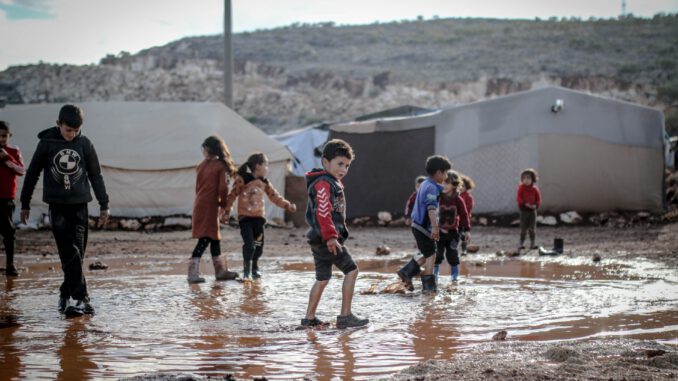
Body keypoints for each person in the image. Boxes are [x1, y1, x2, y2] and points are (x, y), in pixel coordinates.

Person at [20, 104, 109, 316]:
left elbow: (96, 175)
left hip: (80, 206)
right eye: (68, 130)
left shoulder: (85, 144)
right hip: (58, 206)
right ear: (58, 124)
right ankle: (81, 299)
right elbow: (32, 174)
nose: (72, 135)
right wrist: (25, 203)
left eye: (76, 131)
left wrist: (104, 204)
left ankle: (64, 293)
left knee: (77, 254)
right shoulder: (46, 144)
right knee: (69, 252)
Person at [302, 139, 368, 329]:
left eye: (347, 165)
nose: (344, 169)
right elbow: (323, 212)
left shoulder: (329, 182)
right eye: (340, 164)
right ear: (325, 162)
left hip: (319, 238)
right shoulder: (323, 183)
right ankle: (345, 316)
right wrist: (331, 236)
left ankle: (309, 319)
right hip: (326, 239)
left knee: (322, 278)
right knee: (352, 270)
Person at [225, 152, 296, 279]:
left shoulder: (265, 182)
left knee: (258, 247)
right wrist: (227, 211)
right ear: (258, 166)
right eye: (266, 165)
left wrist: (287, 205)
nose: (267, 168)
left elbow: (275, 197)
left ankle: (254, 268)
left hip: (259, 220)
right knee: (249, 245)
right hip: (245, 219)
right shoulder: (242, 180)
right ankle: (246, 271)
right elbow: (232, 195)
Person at [396, 155, 452, 293]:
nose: (446, 176)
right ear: (439, 172)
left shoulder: (425, 184)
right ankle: (428, 287)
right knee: (431, 255)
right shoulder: (431, 188)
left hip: (418, 226)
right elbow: (431, 208)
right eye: (445, 173)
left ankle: (406, 271)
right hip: (423, 227)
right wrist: (435, 227)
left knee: (427, 253)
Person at [188, 135, 239, 284]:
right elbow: (223, 188)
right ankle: (192, 274)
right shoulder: (220, 166)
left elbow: (198, 187)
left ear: (207, 149)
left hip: (200, 203)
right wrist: (223, 205)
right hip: (210, 204)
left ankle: (220, 272)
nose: (203, 151)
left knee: (214, 238)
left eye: (204, 148)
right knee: (205, 238)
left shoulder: (201, 165)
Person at [434, 171, 470, 282]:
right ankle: (435, 275)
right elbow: (430, 211)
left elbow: (464, 215)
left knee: (452, 254)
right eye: (441, 183)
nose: (443, 186)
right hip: (438, 232)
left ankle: (454, 276)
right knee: (437, 254)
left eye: (446, 183)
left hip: (453, 233)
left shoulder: (458, 200)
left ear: (454, 184)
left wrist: (466, 230)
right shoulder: (437, 197)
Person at [0, 121, 25, 277]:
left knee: (9, 232)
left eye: (4, 136)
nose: (1, 139)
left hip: (7, 198)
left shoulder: (14, 151)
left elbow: (21, 170)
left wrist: (6, 158)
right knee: (9, 230)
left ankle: (10, 264)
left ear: (9, 136)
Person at [516, 168, 541, 250]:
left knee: (532, 228)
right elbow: (519, 198)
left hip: (532, 211)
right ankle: (521, 243)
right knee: (523, 228)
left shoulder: (535, 189)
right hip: (524, 211)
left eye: (528, 178)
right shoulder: (521, 188)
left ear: (533, 179)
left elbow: (538, 199)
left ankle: (533, 243)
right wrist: (524, 204)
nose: (526, 180)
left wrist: (536, 205)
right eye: (524, 178)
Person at [459, 174, 475, 256]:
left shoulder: (468, 197)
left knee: (464, 235)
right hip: (455, 220)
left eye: (463, 186)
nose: (461, 188)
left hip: (464, 220)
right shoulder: (456, 196)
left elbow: (468, 208)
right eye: (460, 185)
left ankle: (464, 249)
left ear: (467, 186)